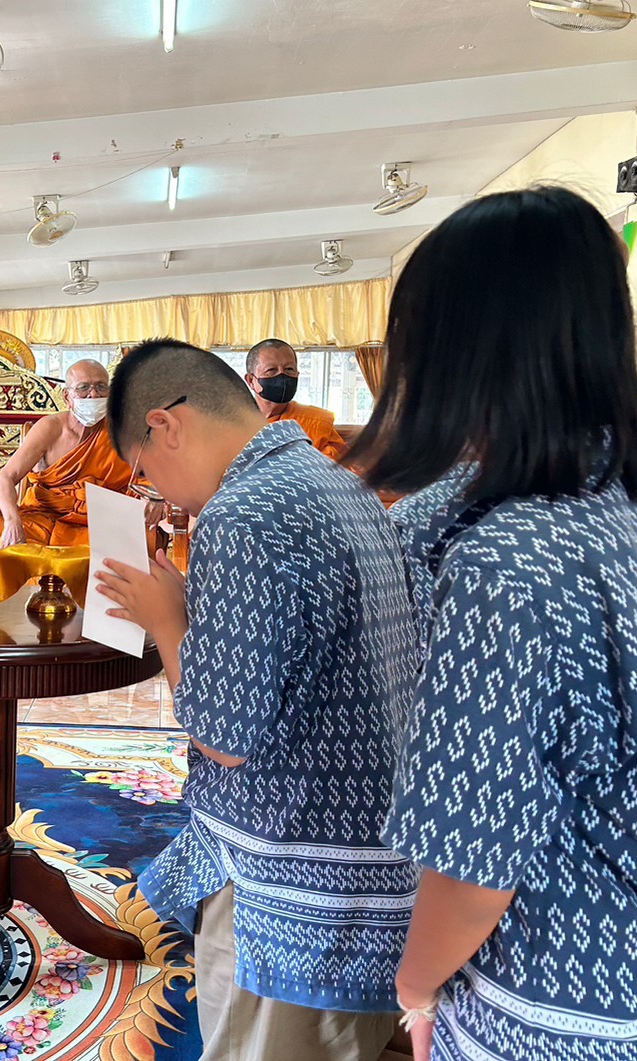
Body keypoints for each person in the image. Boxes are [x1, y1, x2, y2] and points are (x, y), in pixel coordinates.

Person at [347, 185, 637, 1061]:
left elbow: (472, 871)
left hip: (571, 1014)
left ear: (451, 356)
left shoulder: (504, 566)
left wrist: (415, 985)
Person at [94, 339, 418, 1061]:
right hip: (370, 854)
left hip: (291, 874)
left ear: (165, 425)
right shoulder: (333, 482)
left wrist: (167, 621)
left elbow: (223, 735)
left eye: (143, 471)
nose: (156, 493)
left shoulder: (240, 515)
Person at [0, 359, 154, 548]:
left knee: (110, 555)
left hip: (106, 517)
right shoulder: (49, 429)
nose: (93, 395)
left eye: (101, 387)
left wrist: (154, 495)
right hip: (46, 515)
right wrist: (11, 520)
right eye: (83, 388)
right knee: (13, 554)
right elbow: (5, 477)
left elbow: (155, 473)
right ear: (67, 396)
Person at [244, 338, 347, 458]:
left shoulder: (315, 422)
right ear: (251, 380)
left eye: (289, 369)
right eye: (271, 370)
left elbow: (339, 466)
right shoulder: (235, 423)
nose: (282, 376)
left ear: (297, 374)